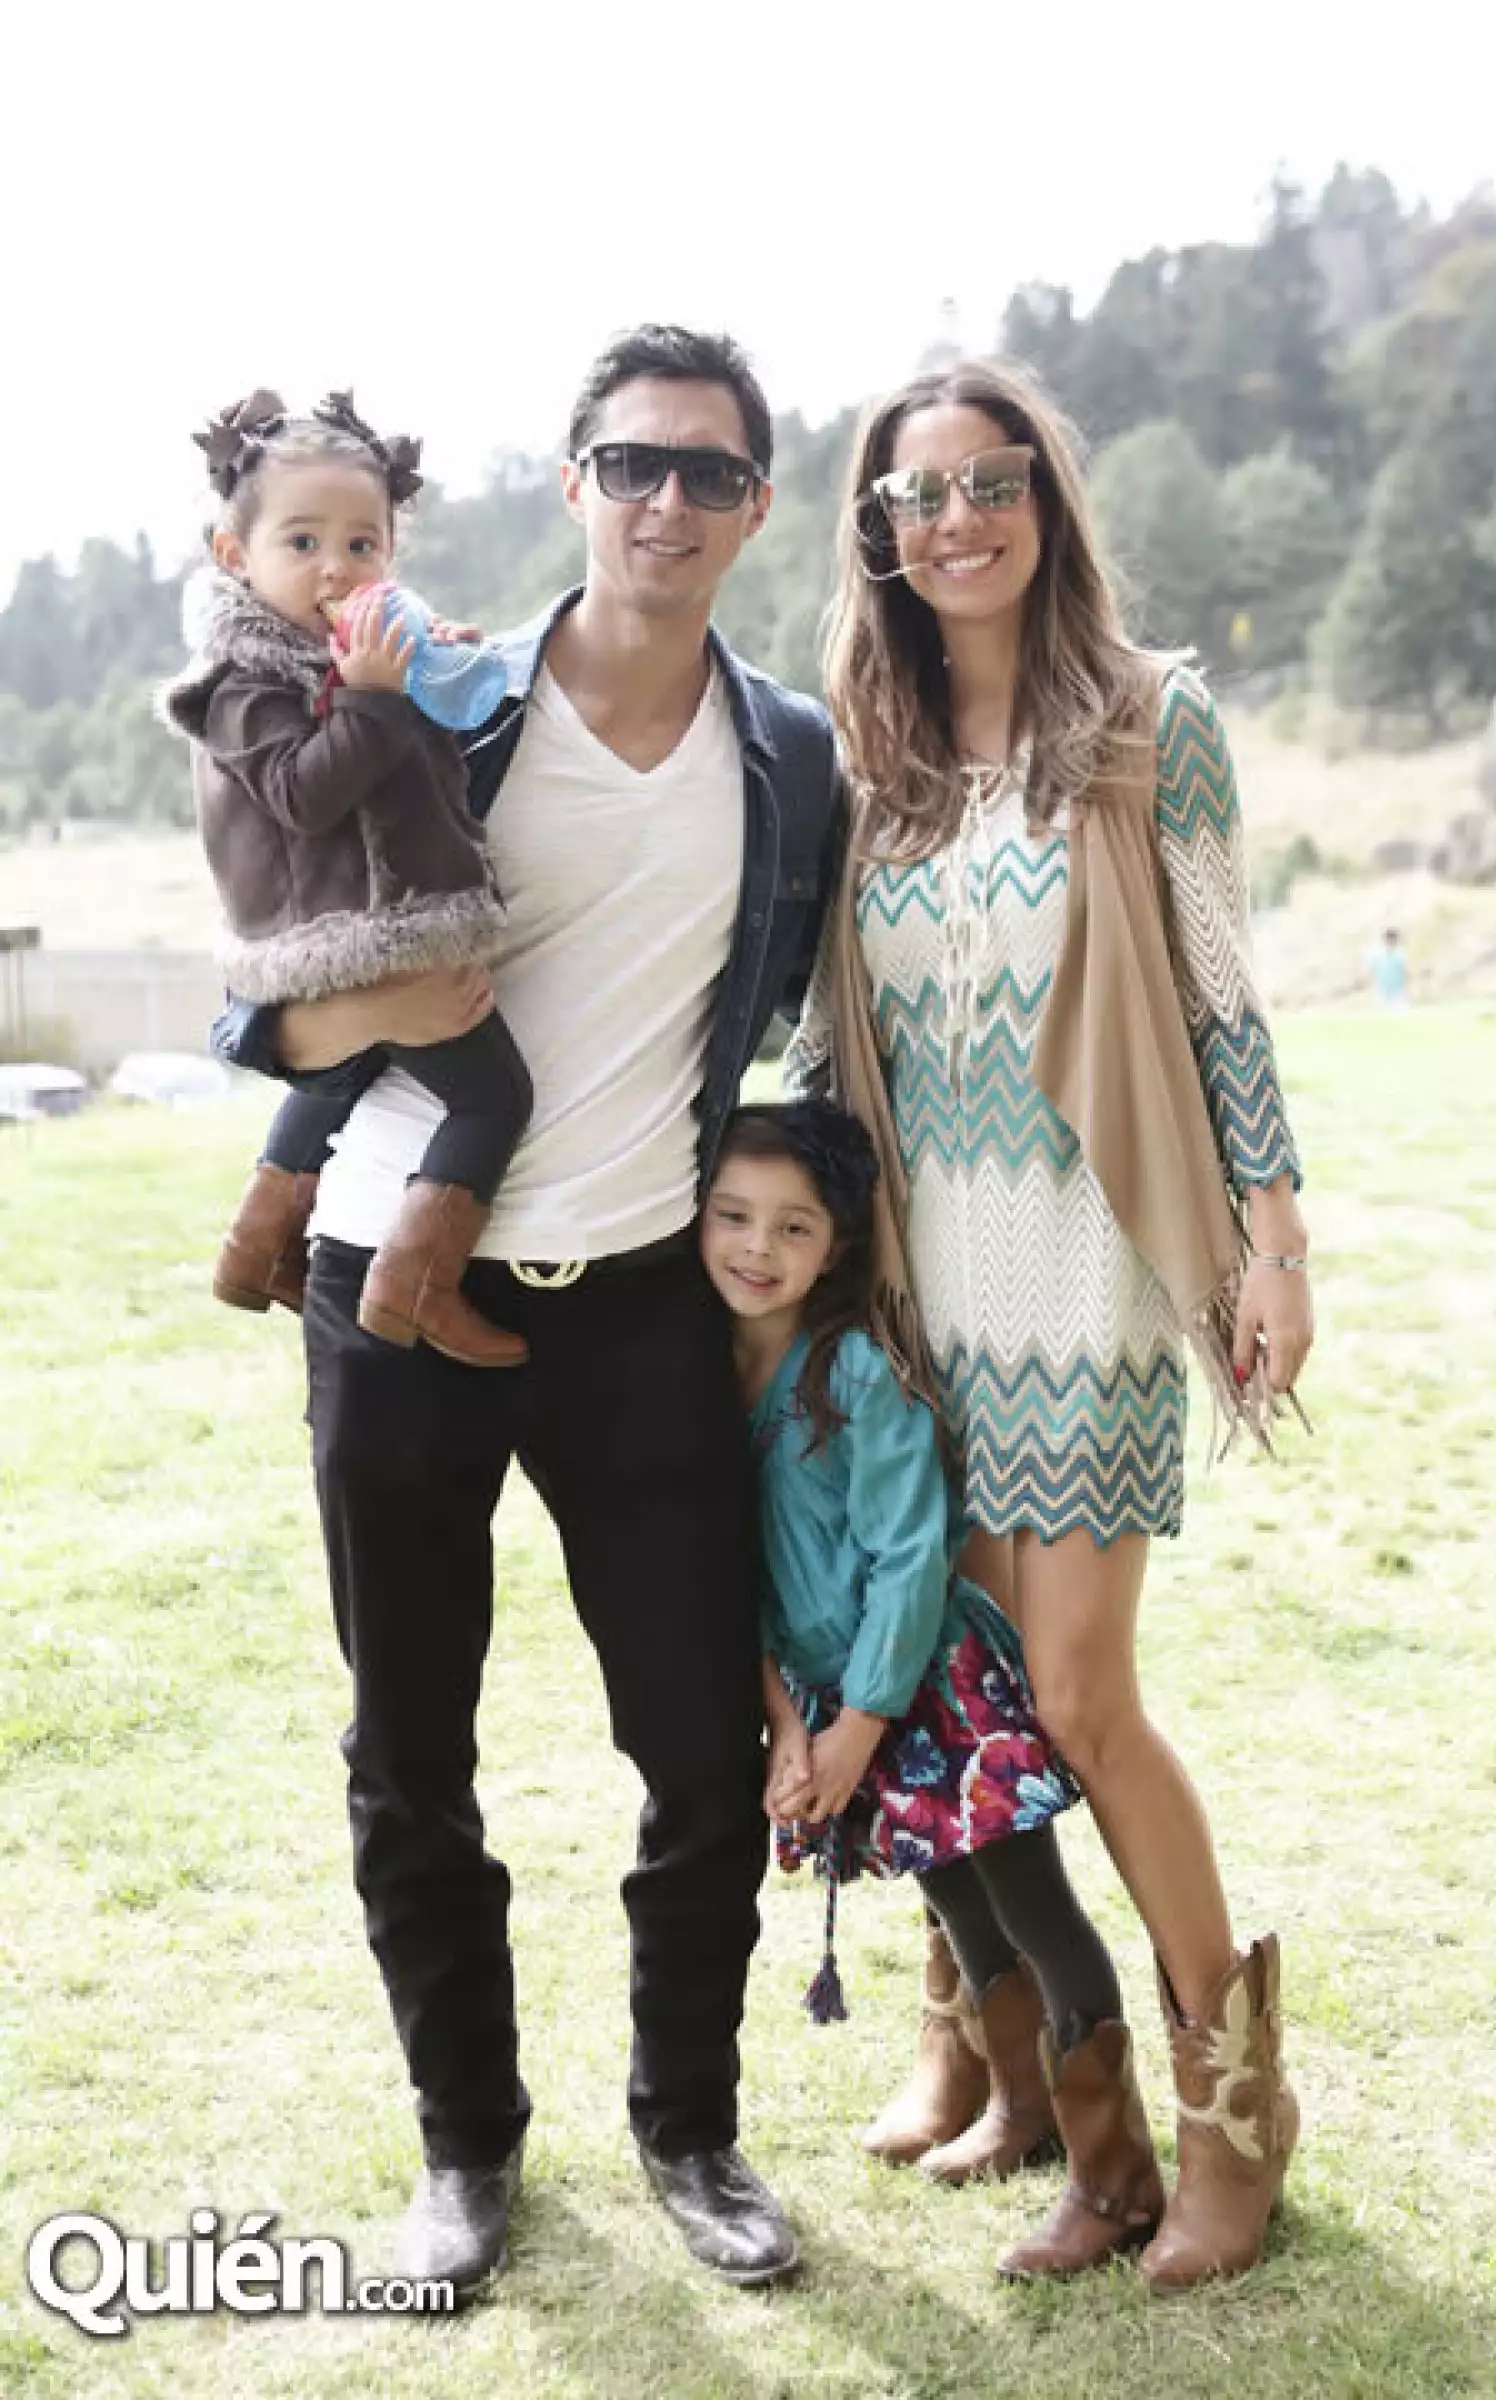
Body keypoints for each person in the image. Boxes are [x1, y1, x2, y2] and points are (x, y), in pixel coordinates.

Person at [212, 326, 841, 2293]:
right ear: (573, 486)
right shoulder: (448, 703)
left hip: (639, 1302)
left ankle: (694, 2131)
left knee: (695, 1747)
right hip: (389, 1295)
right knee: (413, 1747)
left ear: (753, 504)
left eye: (708, 474)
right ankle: (465, 2155)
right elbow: (268, 985)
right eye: (629, 466)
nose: (666, 503)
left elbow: (790, 1013)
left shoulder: (787, 755)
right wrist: (347, 1071)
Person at [788, 358, 1315, 2292]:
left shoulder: (1151, 722)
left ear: (1045, 499)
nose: (955, 520)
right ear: (878, 539)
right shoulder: (870, 757)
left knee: (1081, 1701)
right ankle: (1012, 2065)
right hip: (920, 1276)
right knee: (941, 1676)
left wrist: (1276, 1238)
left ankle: (1233, 2121)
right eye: (915, 499)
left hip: (1082, 1264)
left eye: (989, 480)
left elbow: (1225, 994)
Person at [703, 1099, 1166, 2278]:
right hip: (833, 1703)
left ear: (838, 1248)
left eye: (793, 1228)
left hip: (930, 1689)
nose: (758, 1249)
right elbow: (732, 1578)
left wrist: (859, 1723)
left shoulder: (850, 1372)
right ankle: (1020, 2106)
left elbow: (912, 1555)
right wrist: (788, 1721)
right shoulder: (697, 1385)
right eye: (733, 1218)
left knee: (1029, 1909)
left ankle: (1116, 2181)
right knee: (956, 1908)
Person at [162, 387, 534, 1369]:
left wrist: (430, 675)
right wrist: (373, 699)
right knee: (493, 1097)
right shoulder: (239, 684)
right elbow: (302, 795)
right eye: (302, 542)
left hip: (365, 923)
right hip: (344, 934)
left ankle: (257, 1245)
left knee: (348, 1066)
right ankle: (416, 1283)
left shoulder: (349, 652)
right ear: (234, 555)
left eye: (362, 545)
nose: (335, 565)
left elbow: (422, 761)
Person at [1368, 926, 1409, 1008]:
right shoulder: (1377, 955)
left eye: (1392, 939)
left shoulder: (1400, 955)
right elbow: (1370, 973)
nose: (1390, 941)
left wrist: (1408, 989)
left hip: (1397, 991)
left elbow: (1406, 973)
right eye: (1388, 939)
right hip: (1381, 990)